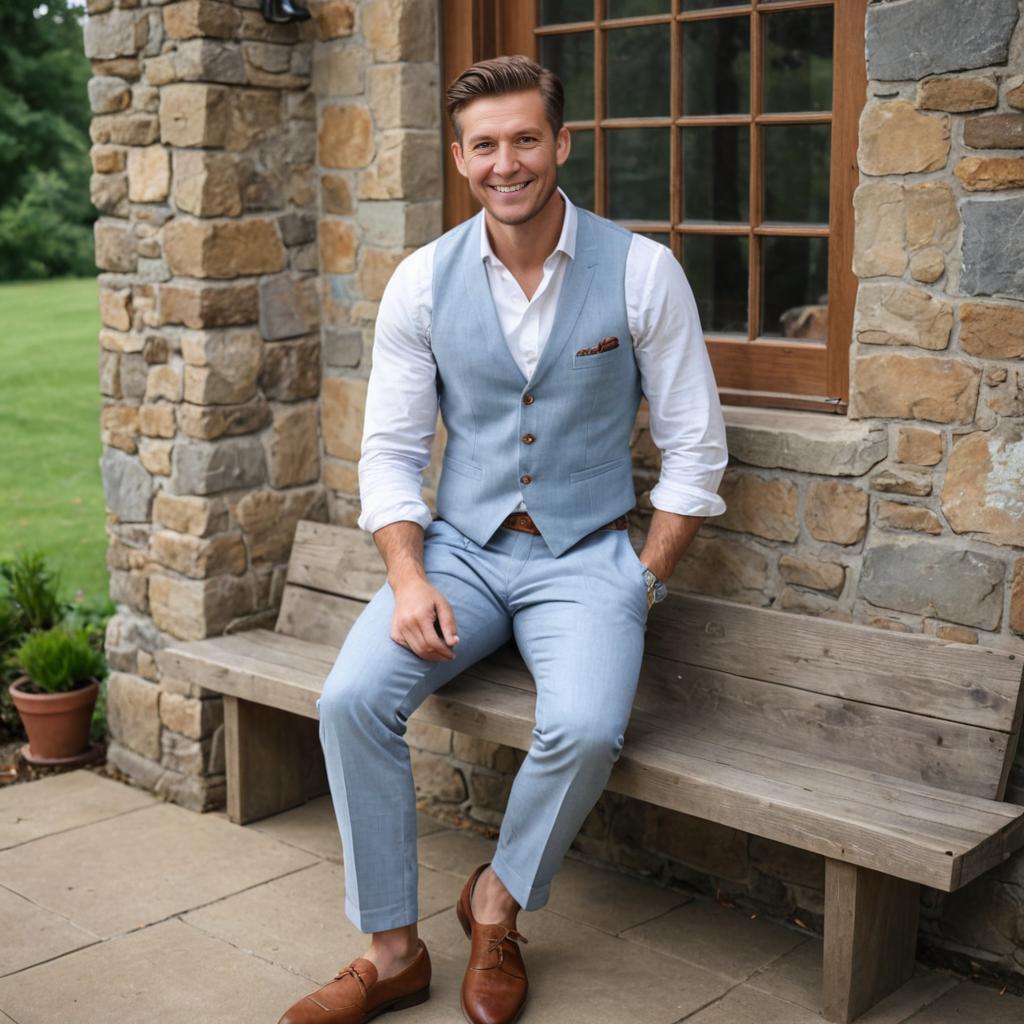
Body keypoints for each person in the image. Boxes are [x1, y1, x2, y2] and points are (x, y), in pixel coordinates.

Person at [277, 55, 728, 1024]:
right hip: (462, 551)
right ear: (460, 157)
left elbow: (695, 445)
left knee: (586, 729)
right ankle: (391, 949)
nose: (506, 161)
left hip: (588, 554)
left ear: (560, 144)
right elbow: (391, 451)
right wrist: (406, 576)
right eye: (485, 144)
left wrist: (642, 577)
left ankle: (497, 901)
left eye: (525, 138)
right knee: (352, 698)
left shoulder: (642, 271)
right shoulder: (422, 282)